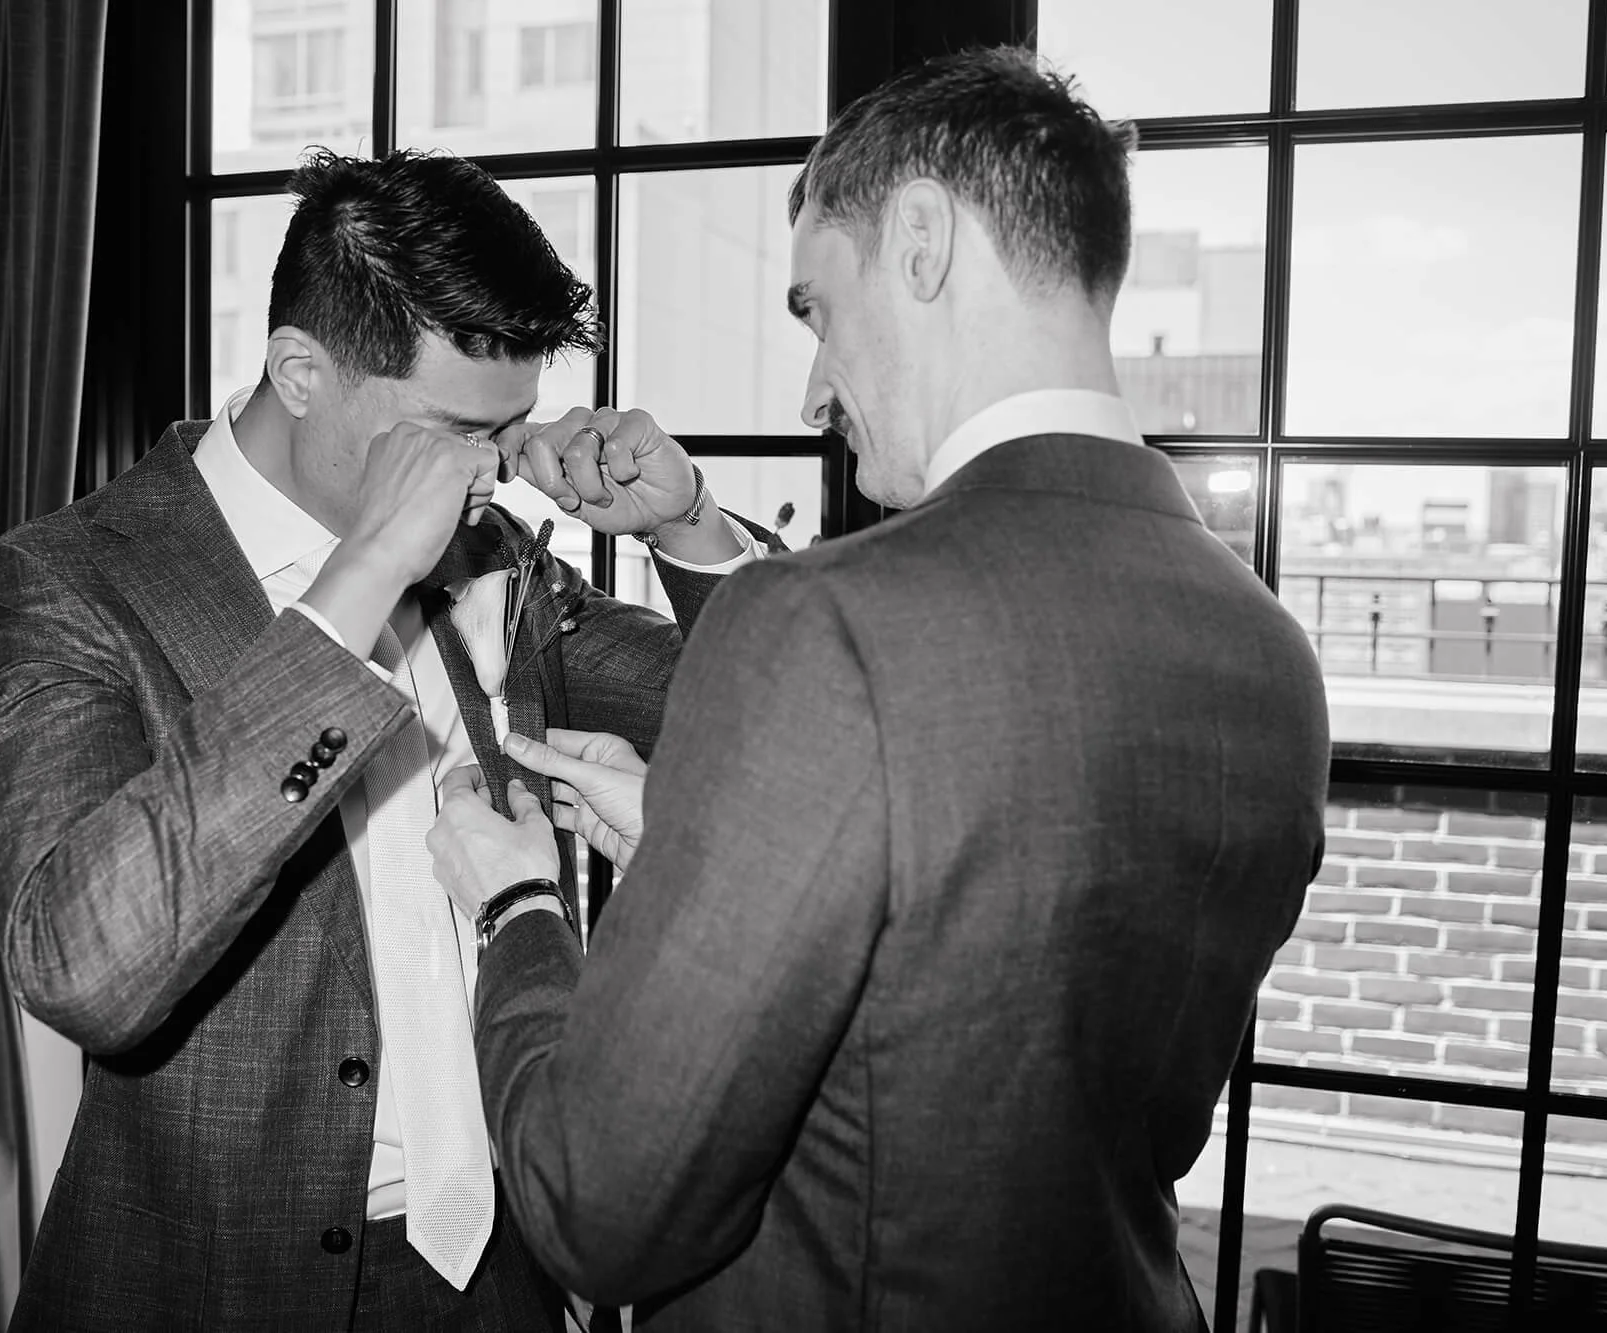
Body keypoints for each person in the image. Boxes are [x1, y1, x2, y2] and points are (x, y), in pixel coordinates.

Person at [426, 47, 1331, 1331]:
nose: (810, 392)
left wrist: (517, 905)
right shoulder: (1267, 652)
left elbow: (598, 1203)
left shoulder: (825, 624)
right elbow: (1004, 1010)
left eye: (813, 309)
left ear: (918, 240)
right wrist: (700, 831)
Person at [0, 148, 771, 1330]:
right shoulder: (64, 585)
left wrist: (688, 525)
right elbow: (81, 963)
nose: (490, 476)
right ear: (300, 371)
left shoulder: (493, 559)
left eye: (509, 432)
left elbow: (760, 713)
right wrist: (365, 574)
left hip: (502, 1278)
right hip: (213, 1287)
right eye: (452, 433)